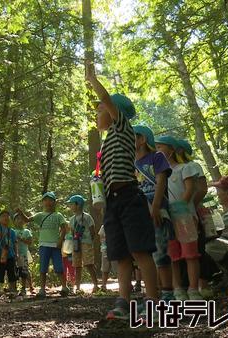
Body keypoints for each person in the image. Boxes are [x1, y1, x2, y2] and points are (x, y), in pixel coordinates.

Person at [87, 69, 159, 320]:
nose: (97, 114)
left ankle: (153, 303)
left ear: (113, 112)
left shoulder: (122, 127)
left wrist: (93, 80)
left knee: (140, 251)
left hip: (130, 197)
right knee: (121, 255)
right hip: (114, 202)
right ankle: (123, 302)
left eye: (99, 110)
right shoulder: (107, 141)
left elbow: (106, 98)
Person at [155, 135, 202, 301]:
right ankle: (177, 289)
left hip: (184, 217)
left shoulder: (185, 168)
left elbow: (189, 190)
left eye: (160, 147)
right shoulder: (159, 173)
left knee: (190, 254)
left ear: (171, 149)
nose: (157, 150)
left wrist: (181, 208)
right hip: (167, 219)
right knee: (172, 254)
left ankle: (193, 289)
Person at [133, 125, 175, 302]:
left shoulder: (156, 158)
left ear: (142, 139)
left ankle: (167, 293)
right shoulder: (130, 163)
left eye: (132, 137)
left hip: (157, 210)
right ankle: (153, 293)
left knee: (161, 252)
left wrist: (156, 206)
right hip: (139, 212)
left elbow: (161, 182)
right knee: (144, 253)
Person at [176, 138, 217, 299]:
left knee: (198, 247)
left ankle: (203, 284)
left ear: (179, 150)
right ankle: (185, 286)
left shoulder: (192, 166)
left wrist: (190, 206)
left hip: (193, 211)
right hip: (179, 213)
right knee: (181, 249)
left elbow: (201, 189)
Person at [18, 192, 69, 298]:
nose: (48, 202)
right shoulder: (40, 215)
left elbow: (64, 228)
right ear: (42, 202)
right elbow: (27, 220)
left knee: (59, 267)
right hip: (44, 245)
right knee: (43, 268)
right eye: (45, 200)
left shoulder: (58, 215)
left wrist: (60, 240)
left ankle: (64, 287)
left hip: (55, 245)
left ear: (54, 202)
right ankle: (42, 289)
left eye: (50, 200)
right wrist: (20, 213)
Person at [66, 195, 99, 294]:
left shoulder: (87, 217)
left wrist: (89, 240)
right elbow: (72, 232)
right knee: (77, 265)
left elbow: (93, 231)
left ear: (78, 205)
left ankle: (96, 285)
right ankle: (78, 287)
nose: (70, 207)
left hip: (86, 243)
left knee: (89, 264)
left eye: (72, 204)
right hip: (76, 244)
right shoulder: (72, 219)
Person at [0, 210, 18, 298]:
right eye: (3, 216)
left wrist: (16, 254)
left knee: (12, 273)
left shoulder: (12, 231)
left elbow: (15, 243)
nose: (6, 217)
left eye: (7, 216)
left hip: (10, 255)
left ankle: (13, 290)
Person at [14, 212, 33, 297]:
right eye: (17, 219)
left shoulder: (27, 231)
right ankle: (14, 289)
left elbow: (29, 242)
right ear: (14, 221)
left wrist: (21, 239)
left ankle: (25, 288)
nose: (20, 220)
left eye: (21, 219)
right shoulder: (12, 231)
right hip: (14, 255)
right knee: (16, 271)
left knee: (24, 271)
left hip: (24, 254)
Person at [98, 224, 117, 292]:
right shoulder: (103, 226)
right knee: (104, 269)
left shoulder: (117, 225)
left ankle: (123, 285)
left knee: (117, 269)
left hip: (115, 249)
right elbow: (101, 237)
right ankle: (104, 285)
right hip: (105, 250)